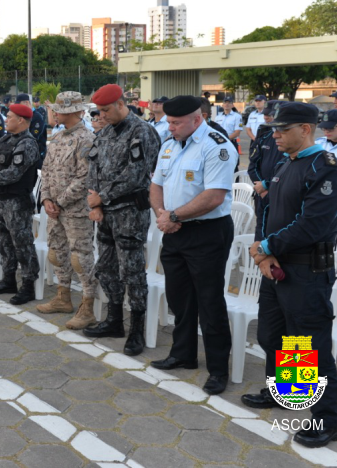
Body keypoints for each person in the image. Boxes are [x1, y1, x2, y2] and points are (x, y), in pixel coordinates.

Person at [242, 102, 337, 448]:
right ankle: (290, 396)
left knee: (308, 346)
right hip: (276, 264)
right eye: (274, 129)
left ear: (305, 129)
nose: (276, 135)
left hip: (305, 268)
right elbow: (268, 209)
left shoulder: (325, 167)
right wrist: (262, 250)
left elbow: (312, 225)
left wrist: (267, 245)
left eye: (282, 130)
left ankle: (328, 421)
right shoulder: (288, 163)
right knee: (274, 336)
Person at [149, 95, 237, 396]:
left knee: (209, 302)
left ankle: (217, 369)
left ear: (197, 119)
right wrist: (164, 215)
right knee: (179, 298)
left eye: (175, 122)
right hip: (173, 231)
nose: (169, 127)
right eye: (168, 122)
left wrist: (173, 215)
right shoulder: (170, 143)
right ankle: (183, 354)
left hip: (207, 232)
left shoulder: (217, 145)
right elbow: (156, 184)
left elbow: (213, 197)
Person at [83, 84, 161, 354]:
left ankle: (136, 330)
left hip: (129, 212)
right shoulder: (104, 132)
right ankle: (114, 320)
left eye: (106, 110)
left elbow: (137, 174)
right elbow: (92, 165)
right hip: (104, 213)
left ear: (120, 103)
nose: (101, 116)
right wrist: (95, 200)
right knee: (106, 267)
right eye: (99, 111)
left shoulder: (142, 131)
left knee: (132, 271)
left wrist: (101, 197)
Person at [35, 92, 97, 329]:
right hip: (54, 210)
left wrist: (59, 202)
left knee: (80, 257)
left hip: (76, 210)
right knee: (57, 252)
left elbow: (85, 177)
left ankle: (87, 306)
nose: (55, 113)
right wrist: (47, 199)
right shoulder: (58, 137)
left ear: (72, 112)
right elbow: (47, 170)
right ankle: (63, 298)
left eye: (58, 110)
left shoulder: (87, 138)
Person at [0, 103, 41, 304]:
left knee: (22, 245)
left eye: (10, 117)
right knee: (5, 243)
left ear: (21, 120)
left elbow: (15, 172)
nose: (6, 119)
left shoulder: (27, 143)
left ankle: (28, 285)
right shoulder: (5, 139)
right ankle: (8, 279)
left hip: (17, 201)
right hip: (1, 199)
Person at [247, 101, 286, 238]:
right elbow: (253, 165)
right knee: (262, 229)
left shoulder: (293, 141)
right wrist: (261, 187)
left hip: (282, 193)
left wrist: (268, 186)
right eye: (266, 114)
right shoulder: (264, 135)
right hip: (261, 192)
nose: (267, 117)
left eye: (271, 115)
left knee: (280, 230)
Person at [16, 93, 47, 168]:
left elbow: (34, 136)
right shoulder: (22, 116)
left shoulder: (37, 116)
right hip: (25, 153)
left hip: (37, 154)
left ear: (26, 103)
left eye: (19, 104)